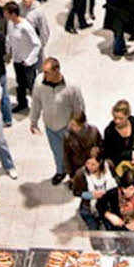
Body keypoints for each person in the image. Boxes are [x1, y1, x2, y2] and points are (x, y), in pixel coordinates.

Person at [30, 57, 86, 185]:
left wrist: (79, 127)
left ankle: (75, 176)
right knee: (57, 152)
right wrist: (34, 121)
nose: (44, 75)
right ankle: (60, 171)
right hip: (50, 126)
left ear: (57, 71)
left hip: (68, 127)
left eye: (47, 72)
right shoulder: (39, 82)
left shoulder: (72, 87)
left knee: (74, 154)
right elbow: (36, 102)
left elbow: (79, 108)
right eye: (43, 72)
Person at [4, 1, 41, 113]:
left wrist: (29, 60)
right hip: (17, 59)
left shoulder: (25, 26)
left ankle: (37, 106)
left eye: (6, 13)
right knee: (20, 84)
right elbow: (9, 38)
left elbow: (37, 43)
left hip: (27, 62)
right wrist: (8, 52)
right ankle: (22, 103)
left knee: (32, 85)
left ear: (13, 14)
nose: (5, 15)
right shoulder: (10, 23)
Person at [72, 147, 116, 229]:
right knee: (94, 229)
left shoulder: (109, 165)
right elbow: (76, 192)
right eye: (87, 163)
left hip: (107, 204)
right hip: (89, 208)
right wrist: (91, 195)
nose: (89, 167)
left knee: (111, 227)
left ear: (100, 162)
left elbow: (115, 179)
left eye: (93, 164)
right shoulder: (80, 174)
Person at [64, 110, 104, 181]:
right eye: (71, 124)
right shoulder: (68, 135)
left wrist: (98, 151)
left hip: (94, 166)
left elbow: (103, 148)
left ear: (83, 124)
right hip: (78, 168)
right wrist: (71, 174)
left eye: (75, 125)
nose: (72, 127)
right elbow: (67, 156)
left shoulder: (94, 131)